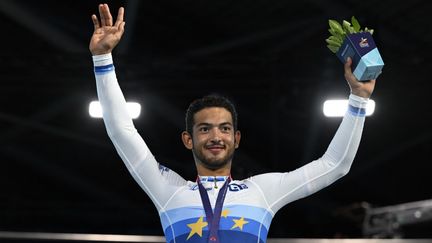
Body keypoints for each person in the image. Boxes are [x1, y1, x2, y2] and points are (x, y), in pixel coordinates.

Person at [89, 4, 376, 243]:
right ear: (188, 140)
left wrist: (359, 99)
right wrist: (102, 59)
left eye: (224, 128)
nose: (216, 136)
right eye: (205, 129)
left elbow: (335, 165)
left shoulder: (263, 190)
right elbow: (121, 131)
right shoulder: (168, 190)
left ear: (236, 139)